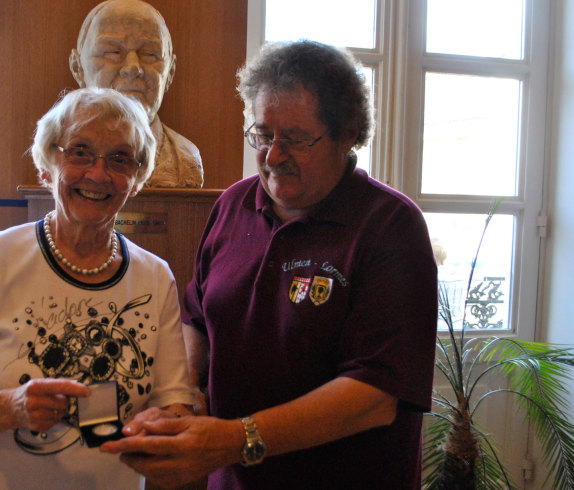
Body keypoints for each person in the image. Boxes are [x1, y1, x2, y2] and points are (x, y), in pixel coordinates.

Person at [101, 40, 438, 489]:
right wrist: (182, 399)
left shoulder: (391, 226)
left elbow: (374, 396)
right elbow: (197, 320)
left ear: (348, 132)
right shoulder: (232, 205)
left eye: (297, 139)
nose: (274, 155)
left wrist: (236, 439)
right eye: (262, 135)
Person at [0, 87, 195, 489]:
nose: (98, 174)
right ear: (47, 166)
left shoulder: (155, 277)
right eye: (79, 151)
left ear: (135, 181)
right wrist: (12, 407)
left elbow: (174, 406)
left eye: (120, 159)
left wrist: (164, 423)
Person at [69, 0, 204, 189]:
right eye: (113, 52)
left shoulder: (186, 157)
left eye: (150, 54)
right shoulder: (59, 151)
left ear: (170, 72)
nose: (133, 67)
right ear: (78, 68)